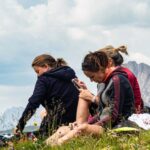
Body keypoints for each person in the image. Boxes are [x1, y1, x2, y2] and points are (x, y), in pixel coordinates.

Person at [46, 51, 134, 146]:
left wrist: (90, 125)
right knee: (63, 129)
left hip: (117, 126)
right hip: (105, 124)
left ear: (101, 68)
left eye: (92, 76)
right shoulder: (105, 82)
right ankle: (43, 146)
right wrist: (89, 122)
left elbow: (114, 115)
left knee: (82, 129)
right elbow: (101, 112)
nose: (91, 81)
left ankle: (56, 146)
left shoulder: (117, 80)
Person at [14, 54, 79, 137]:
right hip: (77, 119)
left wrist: (20, 125)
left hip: (59, 122)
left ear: (46, 66)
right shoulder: (70, 74)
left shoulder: (44, 79)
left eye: (37, 71)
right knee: (43, 112)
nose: (38, 75)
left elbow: (33, 103)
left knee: (40, 141)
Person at [99, 45, 143, 113]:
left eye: (99, 62)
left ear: (109, 62)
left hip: (130, 114)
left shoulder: (123, 76)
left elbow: (119, 105)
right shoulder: (111, 76)